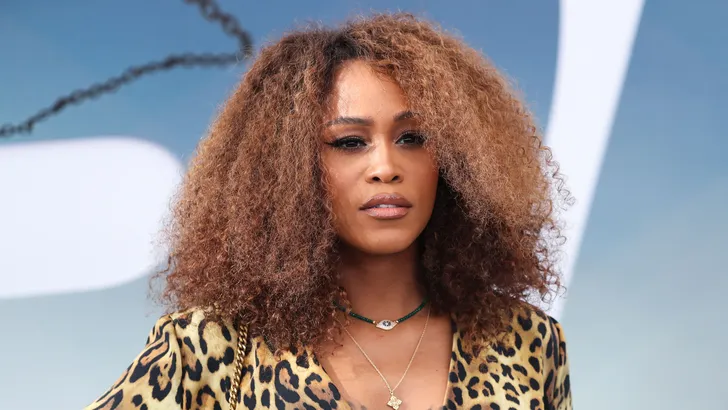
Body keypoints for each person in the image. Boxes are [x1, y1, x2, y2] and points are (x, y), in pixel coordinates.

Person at [85, 13, 572, 410]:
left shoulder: (529, 342)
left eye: (412, 138)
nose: (386, 167)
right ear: (286, 168)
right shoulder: (207, 348)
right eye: (350, 142)